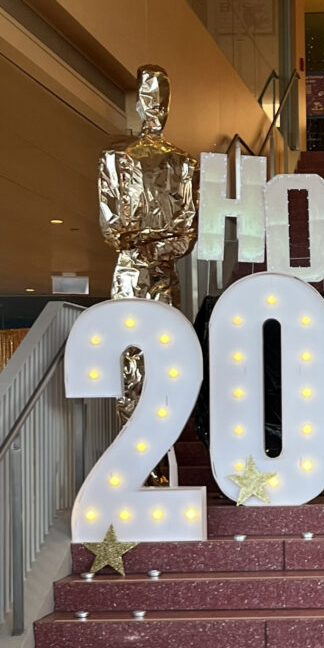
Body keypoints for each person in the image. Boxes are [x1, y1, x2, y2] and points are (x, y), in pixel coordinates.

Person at [98, 65, 198, 424]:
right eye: (150, 97)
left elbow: (185, 234)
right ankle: (135, 445)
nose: (155, 106)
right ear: (139, 103)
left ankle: (159, 438)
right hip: (132, 271)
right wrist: (154, 240)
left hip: (159, 272)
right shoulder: (115, 160)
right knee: (130, 353)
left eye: (160, 99)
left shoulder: (183, 163)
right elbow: (112, 230)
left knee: (162, 353)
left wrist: (143, 242)